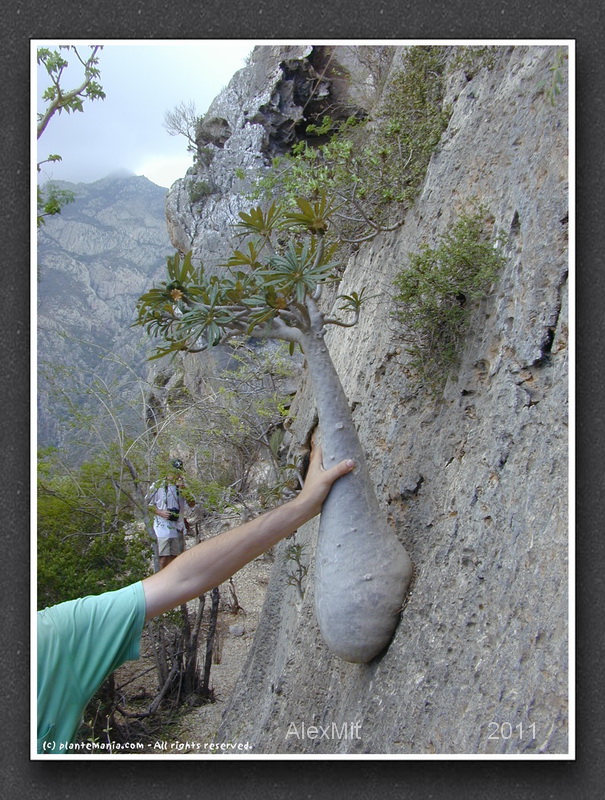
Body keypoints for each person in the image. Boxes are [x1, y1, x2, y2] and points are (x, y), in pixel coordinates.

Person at [36, 445, 355, 754]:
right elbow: (154, 513)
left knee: (171, 570)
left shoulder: (51, 641)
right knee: (165, 564)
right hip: (163, 529)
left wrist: (303, 506)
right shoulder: (53, 639)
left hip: (174, 532)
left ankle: (163, 601)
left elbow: (184, 576)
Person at [146, 459, 191, 570]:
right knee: (163, 558)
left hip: (177, 527)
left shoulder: (183, 486)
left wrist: (183, 490)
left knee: (175, 558)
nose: (177, 474)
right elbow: (147, 504)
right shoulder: (158, 485)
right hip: (161, 527)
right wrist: (160, 512)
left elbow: (192, 503)